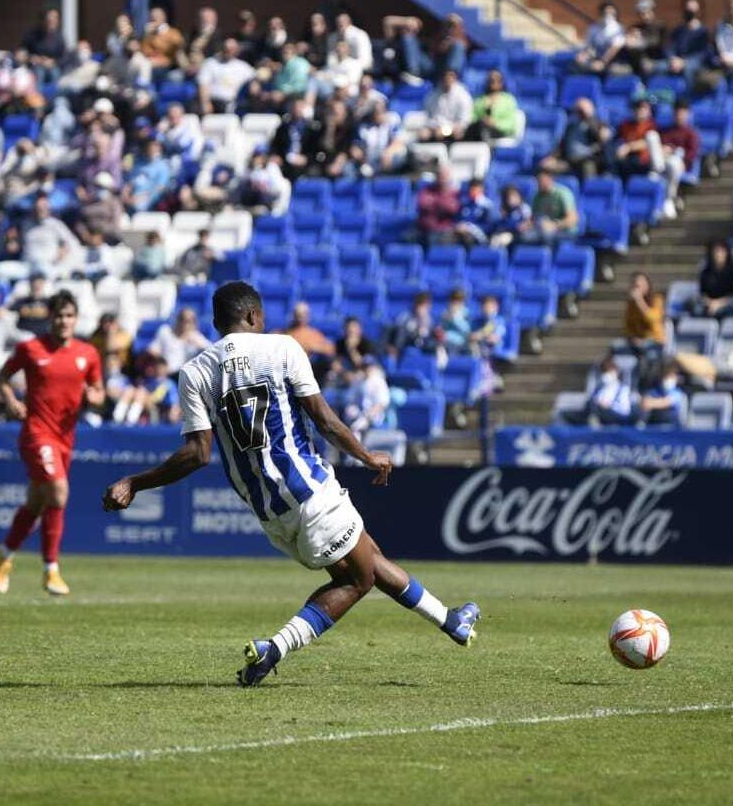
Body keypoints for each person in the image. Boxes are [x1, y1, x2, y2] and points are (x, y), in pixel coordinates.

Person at [101, 281, 478, 686]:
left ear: (215, 323)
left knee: (367, 556)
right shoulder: (282, 349)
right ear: (253, 317)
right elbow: (325, 420)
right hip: (311, 491)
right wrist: (367, 456)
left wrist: (136, 482)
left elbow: (197, 454)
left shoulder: (195, 371)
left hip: (269, 512)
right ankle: (273, 649)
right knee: (357, 579)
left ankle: (450, 621)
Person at [0, 291, 104, 597]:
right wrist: (11, 399)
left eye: (69, 315)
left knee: (37, 502)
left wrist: (95, 397)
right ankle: (50, 570)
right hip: (36, 434)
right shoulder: (31, 348)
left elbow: (98, 390)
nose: (63, 321)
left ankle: (4, 554)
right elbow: (1, 377)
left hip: (66, 438)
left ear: (75, 319)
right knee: (59, 491)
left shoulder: (87, 353)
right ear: (49, 317)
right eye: (58, 315)